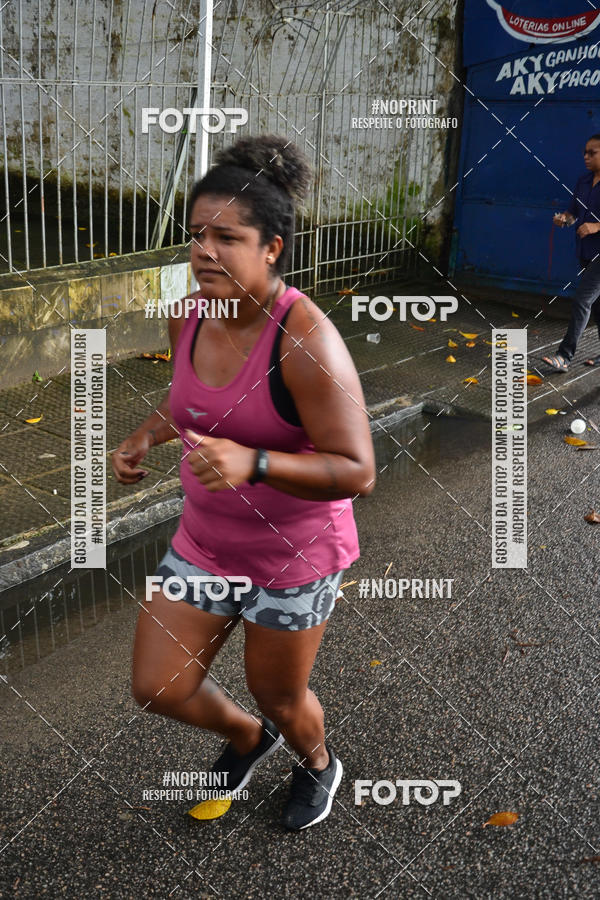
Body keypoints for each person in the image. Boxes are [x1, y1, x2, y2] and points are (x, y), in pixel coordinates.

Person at [111, 134, 376, 831]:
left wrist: (254, 461)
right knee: (158, 687)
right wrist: (145, 433)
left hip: (293, 558)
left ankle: (316, 760)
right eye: (197, 235)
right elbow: (189, 398)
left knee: (281, 697)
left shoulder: (306, 341)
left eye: (227, 236)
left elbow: (357, 470)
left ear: (271, 249)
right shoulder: (191, 313)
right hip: (205, 543)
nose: (204, 251)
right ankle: (247, 739)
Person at [543, 133, 600, 372]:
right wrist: (565, 219)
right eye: (584, 152)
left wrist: (597, 226)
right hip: (586, 251)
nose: (585, 157)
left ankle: (564, 356)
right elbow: (574, 211)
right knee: (598, 308)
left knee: (582, 300)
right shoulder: (584, 181)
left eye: (592, 153)